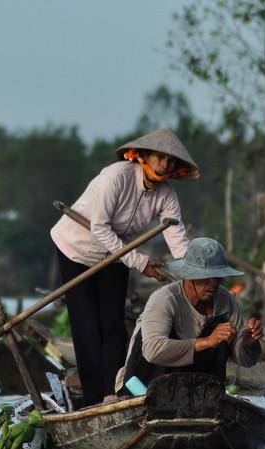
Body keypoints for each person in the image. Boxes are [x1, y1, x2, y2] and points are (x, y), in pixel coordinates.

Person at [49, 128, 201, 407]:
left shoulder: (166, 195)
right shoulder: (115, 177)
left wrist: (196, 275)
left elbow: (178, 240)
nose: (164, 165)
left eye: (170, 162)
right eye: (159, 158)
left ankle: (112, 393)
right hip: (77, 248)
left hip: (118, 253)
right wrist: (141, 263)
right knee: (87, 325)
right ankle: (94, 398)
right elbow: (100, 228)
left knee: (114, 324)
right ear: (143, 156)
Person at [114, 237, 263, 395]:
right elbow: (152, 351)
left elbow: (246, 361)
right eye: (206, 278)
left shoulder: (226, 301)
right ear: (190, 276)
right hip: (143, 385)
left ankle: (208, 395)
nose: (213, 283)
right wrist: (207, 341)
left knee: (220, 326)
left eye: (217, 277)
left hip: (192, 391)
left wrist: (249, 341)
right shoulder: (165, 299)